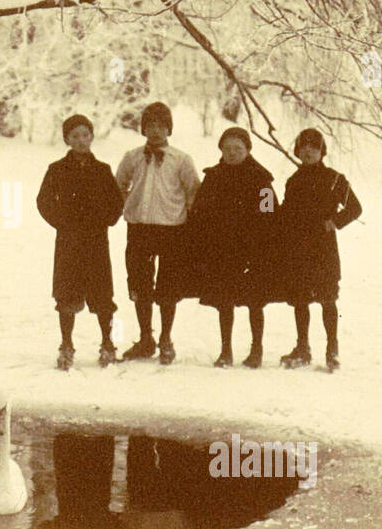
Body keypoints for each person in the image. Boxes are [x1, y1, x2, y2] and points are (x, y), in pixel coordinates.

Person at [114, 102, 201, 365]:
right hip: (139, 228)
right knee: (140, 283)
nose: (155, 131)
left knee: (168, 286)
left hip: (172, 230)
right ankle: (145, 338)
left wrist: (187, 218)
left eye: (161, 126)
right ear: (143, 128)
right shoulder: (132, 157)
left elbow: (193, 191)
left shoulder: (181, 159)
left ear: (169, 128)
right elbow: (118, 185)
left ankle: (166, 338)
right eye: (150, 125)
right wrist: (128, 204)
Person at [36, 114, 124, 370]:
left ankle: (108, 344)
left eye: (85, 135)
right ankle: (66, 345)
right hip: (69, 242)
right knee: (67, 294)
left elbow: (116, 202)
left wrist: (105, 220)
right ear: (66, 139)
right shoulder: (57, 170)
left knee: (102, 295)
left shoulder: (103, 170)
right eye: (74, 136)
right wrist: (62, 222)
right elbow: (43, 201)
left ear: (92, 137)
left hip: (96, 241)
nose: (81, 141)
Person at [187, 126, 279, 368]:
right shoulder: (213, 176)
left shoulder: (262, 180)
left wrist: (263, 247)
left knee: (254, 301)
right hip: (222, 250)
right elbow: (199, 211)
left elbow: (271, 213)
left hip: (253, 251)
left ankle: (256, 349)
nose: (232, 153)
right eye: (227, 149)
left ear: (248, 149)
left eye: (238, 148)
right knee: (224, 301)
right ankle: (225, 349)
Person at [276, 128, 363, 371]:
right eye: (303, 147)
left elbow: (355, 208)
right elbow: (285, 212)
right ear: (297, 151)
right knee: (301, 300)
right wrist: (267, 204)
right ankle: (302, 347)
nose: (308, 151)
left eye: (313, 147)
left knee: (327, 299)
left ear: (322, 151)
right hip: (298, 248)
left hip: (323, 249)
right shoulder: (293, 181)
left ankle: (332, 349)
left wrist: (334, 221)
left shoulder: (335, 179)